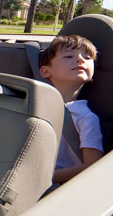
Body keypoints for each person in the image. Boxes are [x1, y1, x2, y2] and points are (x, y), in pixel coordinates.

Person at [38, 34, 104, 184]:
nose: (81, 59)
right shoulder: (34, 106)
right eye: (68, 56)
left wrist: (45, 179)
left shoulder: (85, 117)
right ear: (46, 71)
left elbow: (92, 165)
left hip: (57, 186)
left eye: (87, 58)